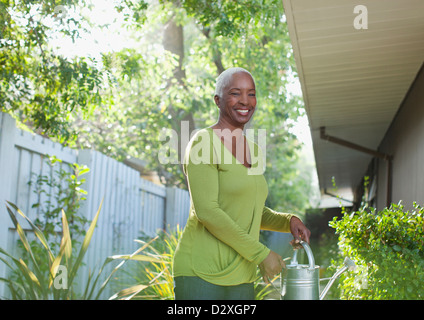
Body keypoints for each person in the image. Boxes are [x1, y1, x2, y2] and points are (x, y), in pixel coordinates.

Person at [172, 67, 311, 300]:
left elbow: (251, 211)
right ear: (218, 100)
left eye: (251, 93)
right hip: (200, 276)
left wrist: (288, 221)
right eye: (235, 93)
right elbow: (207, 211)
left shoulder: (254, 151)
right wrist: (261, 255)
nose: (245, 101)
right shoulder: (203, 142)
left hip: (243, 277)